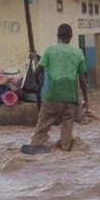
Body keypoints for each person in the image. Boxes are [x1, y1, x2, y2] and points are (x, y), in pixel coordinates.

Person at [21, 23, 88, 154]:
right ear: (71, 37)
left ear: (58, 36)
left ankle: (36, 146)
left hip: (51, 96)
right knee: (67, 132)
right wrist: (86, 100)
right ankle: (65, 150)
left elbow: (37, 71)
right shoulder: (78, 53)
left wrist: (35, 59)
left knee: (42, 128)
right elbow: (83, 80)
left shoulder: (50, 51)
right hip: (70, 98)